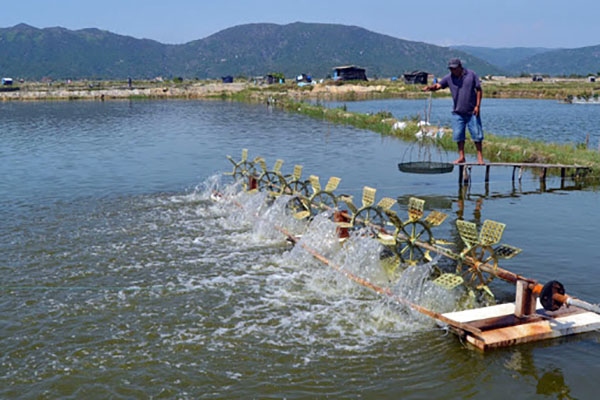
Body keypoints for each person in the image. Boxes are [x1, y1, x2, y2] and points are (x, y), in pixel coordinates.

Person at [423, 58, 484, 164]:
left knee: (477, 135)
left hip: (472, 112)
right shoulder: (449, 78)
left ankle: (479, 157)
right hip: (458, 112)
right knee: (458, 135)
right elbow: (439, 85)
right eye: (451, 69)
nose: (452, 71)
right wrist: (431, 87)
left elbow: (479, 90)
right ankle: (461, 157)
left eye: (454, 69)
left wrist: (477, 106)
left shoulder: (471, 75)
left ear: (460, 67)